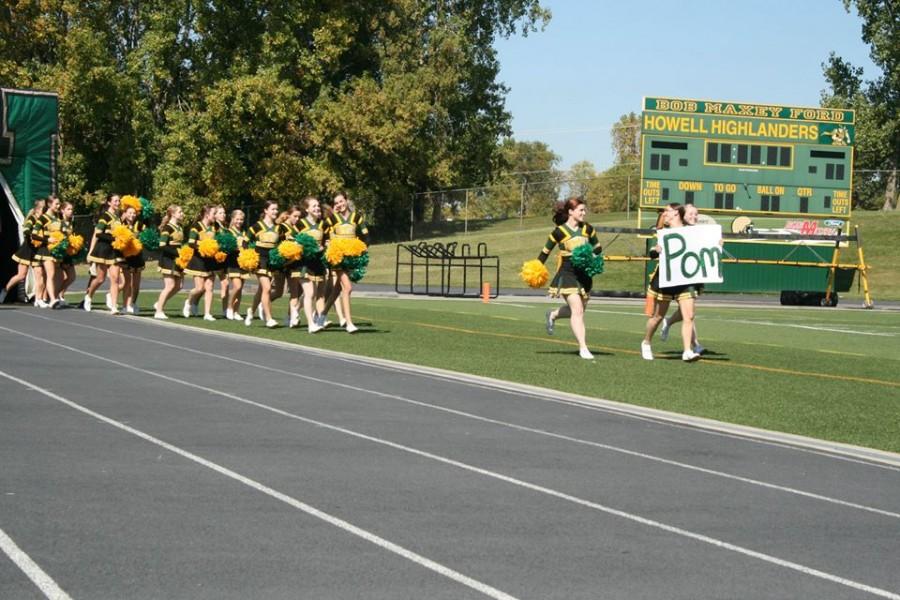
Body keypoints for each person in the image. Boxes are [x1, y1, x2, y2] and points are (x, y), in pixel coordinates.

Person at [539, 197, 602, 360]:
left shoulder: (588, 229)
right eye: (581, 210)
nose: (584, 212)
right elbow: (545, 252)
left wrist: (595, 257)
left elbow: (597, 247)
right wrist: (536, 268)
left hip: (585, 275)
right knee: (578, 311)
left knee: (580, 309)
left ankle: (552, 315)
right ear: (571, 212)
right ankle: (583, 347)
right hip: (567, 273)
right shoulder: (559, 232)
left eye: (584, 209)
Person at [641, 203, 700, 362]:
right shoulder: (662, 233)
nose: (664, 214)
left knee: (689, 316)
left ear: (676, 213)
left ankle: (687, 351)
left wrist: (717, 244)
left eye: (667, 211)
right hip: (666, 278)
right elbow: (652, 252)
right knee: (658, 317)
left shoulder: (691, 231)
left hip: (686, 279)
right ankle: (646, 342)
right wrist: (656, 250)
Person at [659, 203, 706, 355]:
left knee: (688, 312)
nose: (694, 216)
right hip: (676, 277)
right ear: (683, 216)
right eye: (691, 213)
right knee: (688, 313)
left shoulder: (696, 232)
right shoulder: (675, 231)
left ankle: (669, 323)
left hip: (693, 274)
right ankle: (693, 345)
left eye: (696, 213)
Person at [321, 193, 368, 333]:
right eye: (336, 203)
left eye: (341, 201)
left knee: (337, 289)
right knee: (347, 288)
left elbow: (366, 235)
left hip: (351, 258)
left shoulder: (357, 217)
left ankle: (321, 315)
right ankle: (349, 323)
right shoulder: (332, 219)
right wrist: (327, 244)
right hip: (338, 257)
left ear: (346, 201)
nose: (339, 204)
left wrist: (362, 248)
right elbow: (322, 231)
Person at [1, 198, 46, 305]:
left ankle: (39, 299)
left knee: (40, 274)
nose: (44, 212)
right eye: (43, 210)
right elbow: (26, 230)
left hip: (38, 251)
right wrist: (34, 236)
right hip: (27, 250)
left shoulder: (44, 221)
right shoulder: (31, 218)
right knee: (21, 275)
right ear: (37, 210)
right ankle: (5, 290)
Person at [83, 194, 122, 312]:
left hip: (114, 251)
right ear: (109, 203)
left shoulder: (118, 217)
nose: (118, 203)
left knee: (115, 278)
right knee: (100, 278)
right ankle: (89, 296)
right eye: (115, 201)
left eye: (119, 201)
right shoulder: (104, 216)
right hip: (103, 249)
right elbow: (99, 233)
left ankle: (114, 306)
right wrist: (113, 238)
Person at [244, 201, 280, 328]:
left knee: (261, 290)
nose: (275, 211)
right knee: (267, 288)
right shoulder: (257, 226)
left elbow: (282, 244)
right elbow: (245, 242)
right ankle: (269, 319)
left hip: (272, 261)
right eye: (273, 209)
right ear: (266, 210)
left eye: (276, 209)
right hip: (260, 260)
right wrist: (248, 257)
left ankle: (251, 311)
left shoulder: (278, 228)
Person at [182, 205, 219, 321]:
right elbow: (191, 242)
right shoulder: (196, 226)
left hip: (211, 260)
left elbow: (218, 240)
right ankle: (189, 301)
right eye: (214, 213)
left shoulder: (215, 227)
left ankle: (207, 313)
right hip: (198, 259)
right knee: (199, 288)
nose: (216, 216)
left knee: (210, 287)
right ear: (207, 215)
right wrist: (204, 245)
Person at [296, 196, 327, 333]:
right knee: (310, 293)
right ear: (307, 209)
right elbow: (291, 241)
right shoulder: (300, 224)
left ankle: (297, 309)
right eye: (313, 206)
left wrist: (325, 246)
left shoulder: (323, 225)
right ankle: (310, 324)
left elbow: (326, 242)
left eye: (317, 206)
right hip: (303, 263)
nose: (317, 208)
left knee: (318, 293)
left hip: (318, 262)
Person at [153, 205, 185, 319]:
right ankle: (159, 311)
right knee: (170, 285)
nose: (182, 214)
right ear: (173, 214)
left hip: (178, 260)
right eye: (180, 212)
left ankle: (159, 303)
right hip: (168, 259)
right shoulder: (167, 228)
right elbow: (162, 245)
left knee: (179, 286)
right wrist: (177, 252)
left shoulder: (180, 227)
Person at [34, 196, 64, 308]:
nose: (58, 206)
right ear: (49, 204)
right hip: (45, 249)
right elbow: (34, 234)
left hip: (56, 250)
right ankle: (52, 299)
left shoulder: (57, 218)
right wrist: (47, 240)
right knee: (50, 274)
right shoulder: (43, 218)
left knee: (50, 275)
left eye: (59, 204)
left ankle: (43, 298)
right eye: (56, 204)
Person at [224, 209, 248, 320]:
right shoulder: (228, 232)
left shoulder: (244, 232)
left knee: (240, 288)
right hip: (233, 263)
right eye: (237, 219)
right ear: (233, 219)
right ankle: (229, 308)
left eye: (241, 219)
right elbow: (226, 248)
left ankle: (236, 311)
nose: (239, 221)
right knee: (237, 286)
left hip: (242, 263)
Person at [57, 201, 78, 303]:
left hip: (68, 253)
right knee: (59, 276)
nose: (71, 211)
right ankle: (52, 296)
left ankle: (60, 294)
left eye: (71, 209)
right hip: (60, 252)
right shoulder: (59, 222)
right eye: (68, 209)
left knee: (72, 277)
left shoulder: (71, 222)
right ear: (62, 210)